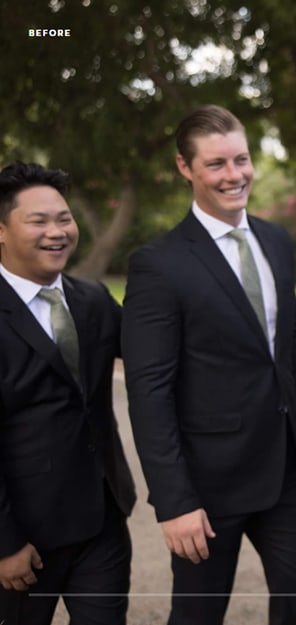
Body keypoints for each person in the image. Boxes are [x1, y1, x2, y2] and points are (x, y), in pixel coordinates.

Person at [121, 105, 296, 625]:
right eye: (216, 164)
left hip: (284, 471)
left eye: (241, 159)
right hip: (207, 486)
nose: (234, 175)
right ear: (185, 167)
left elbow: (291, 339)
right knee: (197, 616)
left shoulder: (275, 240)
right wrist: (174, 502)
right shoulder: (158, 265)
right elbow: (149, 393)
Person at [0, 162, 136, 624]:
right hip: (24, 538)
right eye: (39, 221)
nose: (57, 232)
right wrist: (5, 543)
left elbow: (156, 360)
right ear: (1, 231)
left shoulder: (92, 299)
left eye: (64, 218)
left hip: (102, 521)